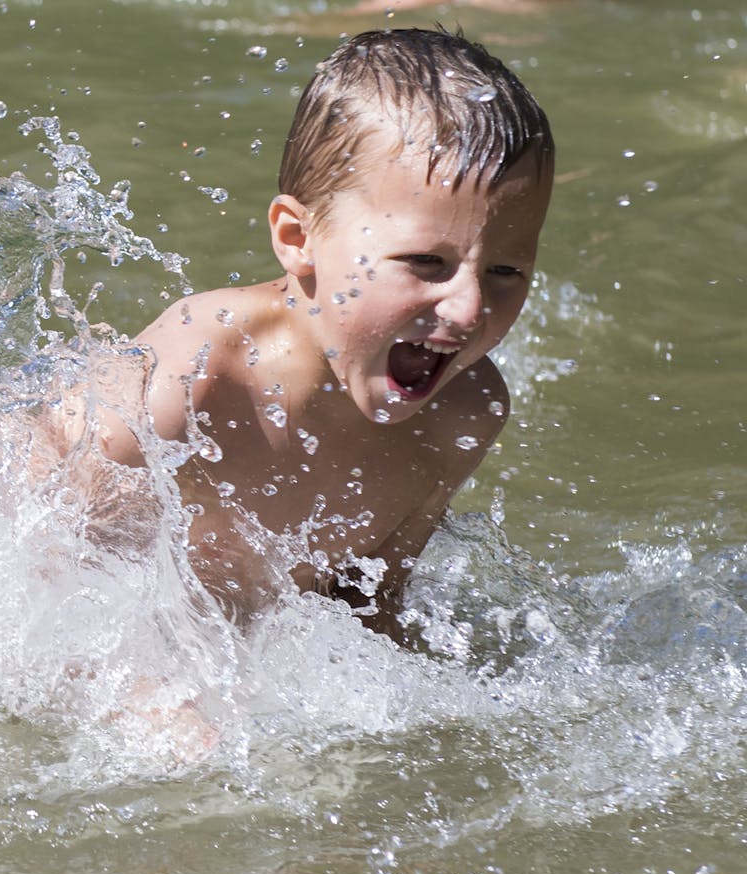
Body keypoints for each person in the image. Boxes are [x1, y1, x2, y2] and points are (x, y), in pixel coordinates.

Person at [94, 28, 554, 640]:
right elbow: (35, 592)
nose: (469, 309)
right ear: (297, 238)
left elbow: (369, 607)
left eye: (505, 271)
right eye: (425, 262)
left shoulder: (462, 415)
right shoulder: (186, 386)